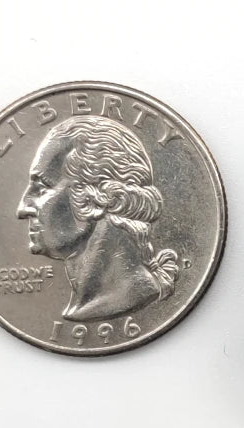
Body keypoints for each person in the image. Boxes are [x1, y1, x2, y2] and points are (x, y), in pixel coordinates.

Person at [17, 114, 179, 320]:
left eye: (41, 188)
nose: (22, 209)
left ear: (96, 198)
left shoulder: (123, 301)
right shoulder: (85, 307)